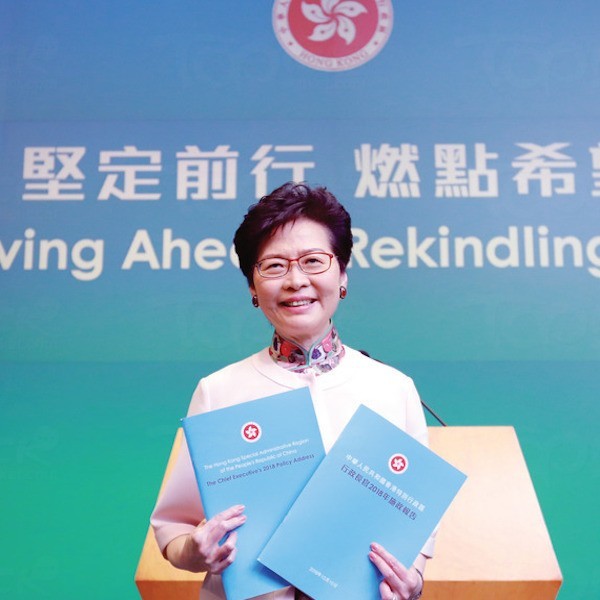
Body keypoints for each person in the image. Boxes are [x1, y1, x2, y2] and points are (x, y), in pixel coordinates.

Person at [151, 182, 432, 600]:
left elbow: (417, 529)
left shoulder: (393, 388)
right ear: (252, 286)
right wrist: (196, 550)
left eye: (313, 261)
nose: (296, 280)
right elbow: (174, 529)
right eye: (275, 266)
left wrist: (413, 582)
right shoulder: (219, 390)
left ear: (342, 274)